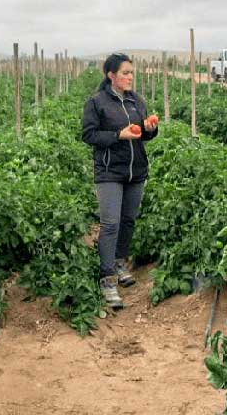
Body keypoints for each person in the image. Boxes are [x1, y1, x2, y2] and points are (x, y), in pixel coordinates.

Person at [81, 53, 158, 308]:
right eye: (125, 73)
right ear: (111, 75)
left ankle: (120, 261)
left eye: (131, 72)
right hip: (109, 172)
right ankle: (107, 279)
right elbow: (89, 135)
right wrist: (118, 135)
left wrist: (149, 128)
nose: (129, 77)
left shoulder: (137, 101)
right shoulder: (97, 102)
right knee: (111, 223)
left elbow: (144, 137)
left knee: (128, 220)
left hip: (136, 171)